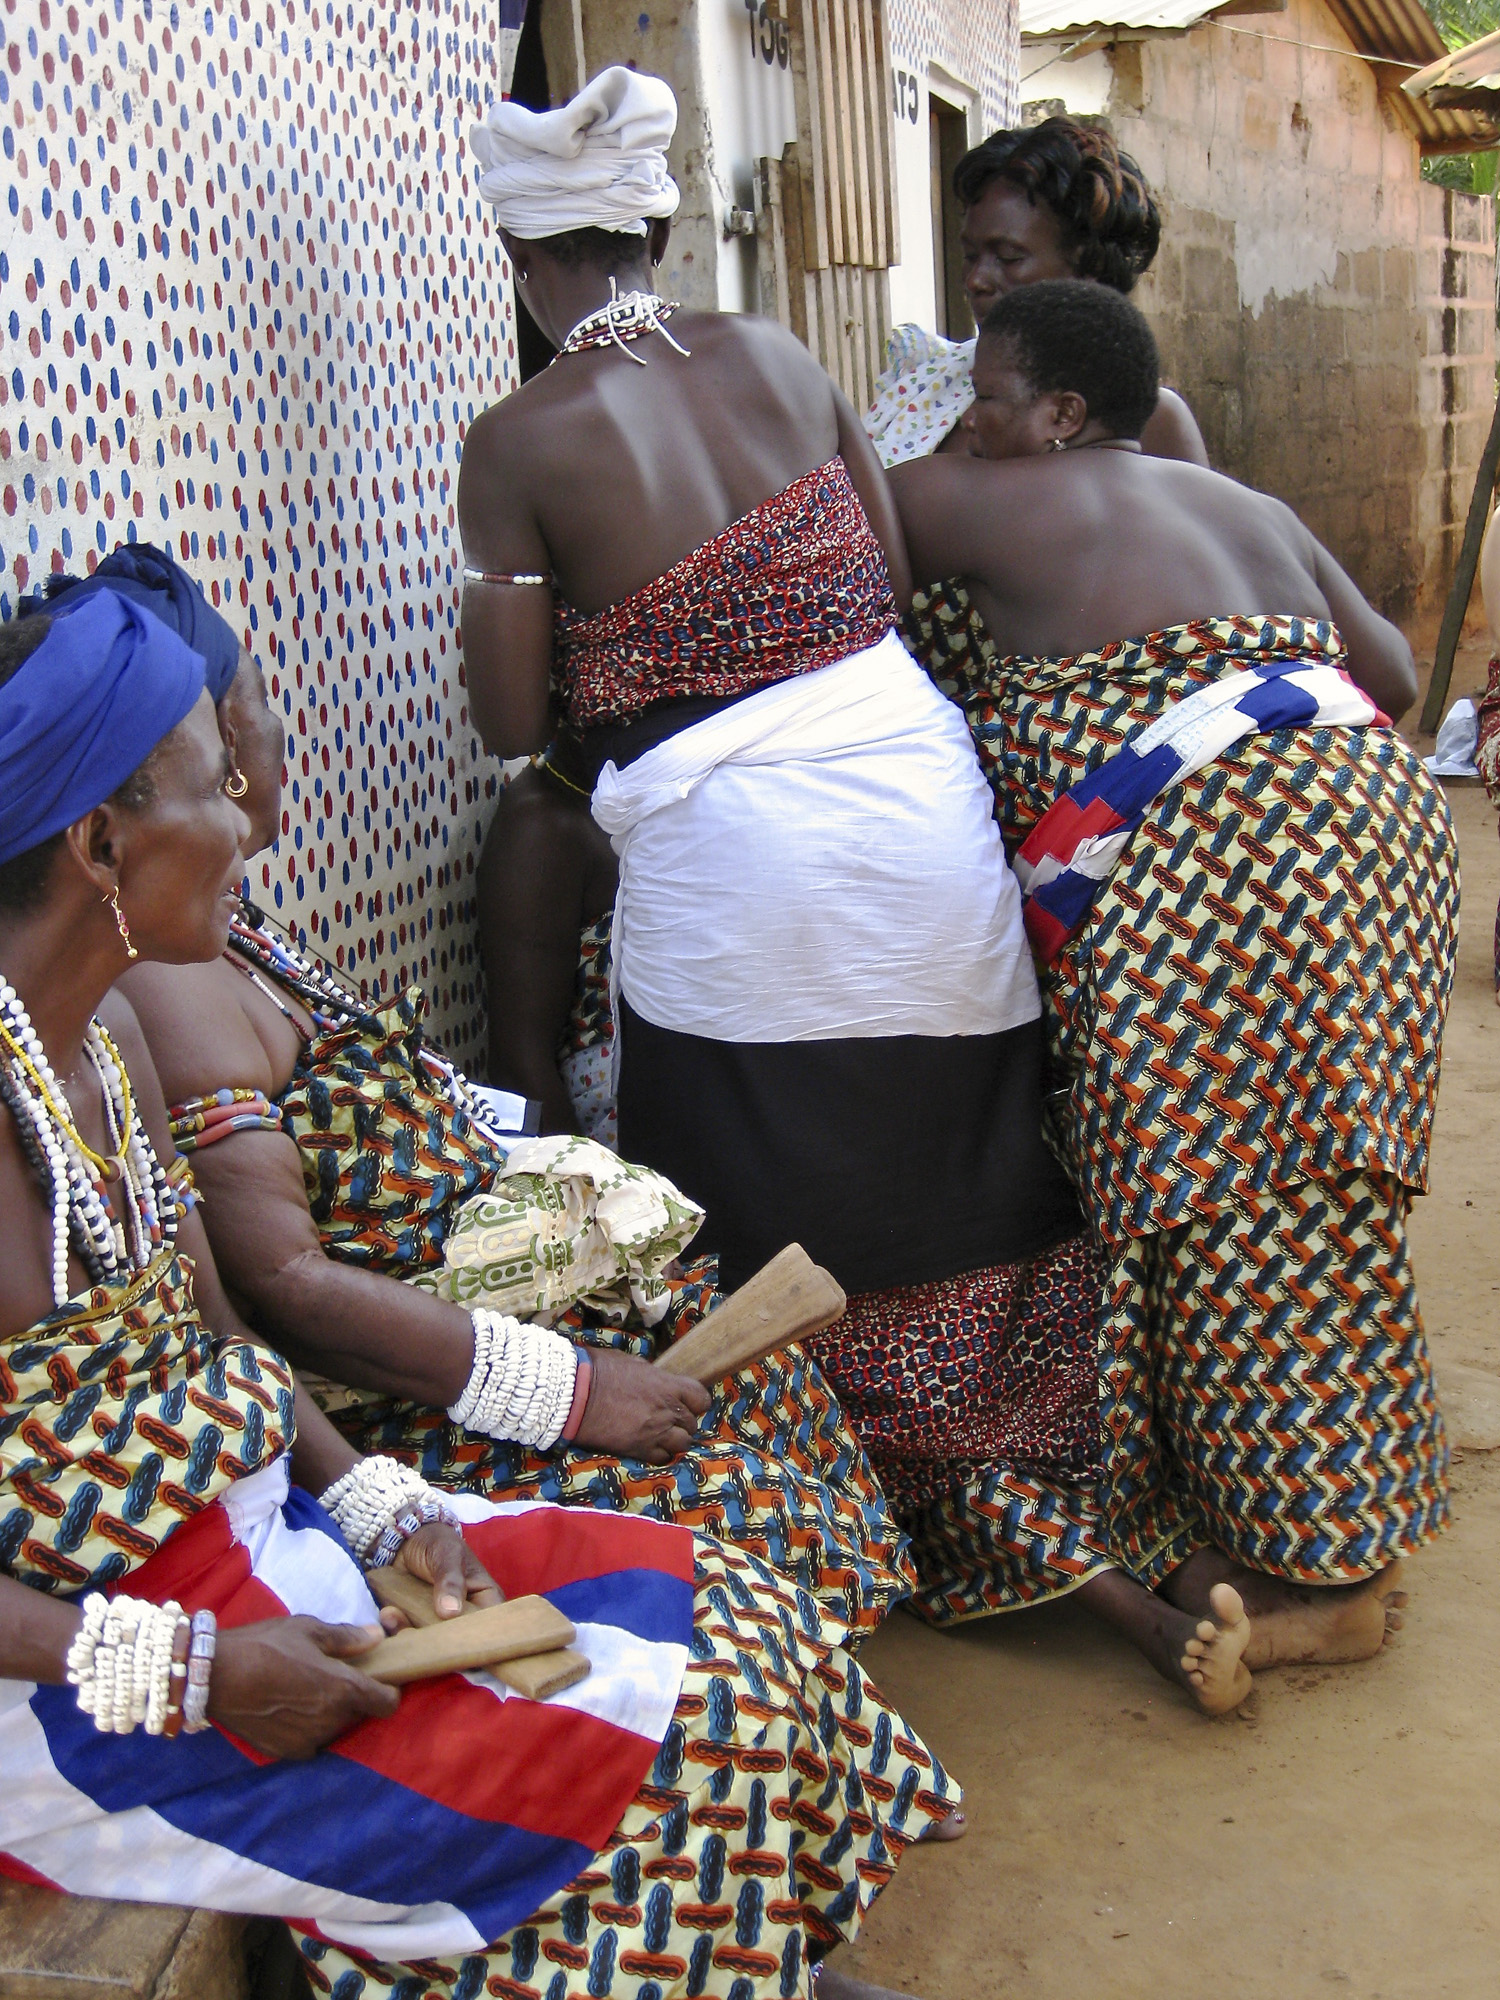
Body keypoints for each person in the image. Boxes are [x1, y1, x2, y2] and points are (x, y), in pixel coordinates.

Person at [0, 593, 956, 2000]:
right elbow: (273, 1300)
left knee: (738, 1625)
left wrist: (387, 1506)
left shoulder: (111, 1040)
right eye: (213, 786)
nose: (248, 810)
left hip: (256, 1570)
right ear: (98, 844)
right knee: (651, 1734)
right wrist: (200, 1670)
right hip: (79, 1689)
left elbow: (218, 1344)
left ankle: (735, 1974)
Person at [456, 72, 1251, 1703]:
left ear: (511, 255)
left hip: (751, 888)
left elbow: (509, 717)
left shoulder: (518, 439)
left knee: (758, 1202)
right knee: (952, 1163)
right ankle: (1077, 1515)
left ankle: (839, 1511)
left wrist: (629, 640)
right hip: (918, 809)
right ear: (663, 226)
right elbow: (879, 581)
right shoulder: (777, 359)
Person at [41, 551, 911, 1635]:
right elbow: (284, 1294)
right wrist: (571, 1393)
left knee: (767, 1388)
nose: (258, 754)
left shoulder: (212, 938)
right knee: (743, 1518)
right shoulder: (159, 987)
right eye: (245, 723)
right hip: (400, 1395)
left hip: (474, 1343)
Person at [889, 279, 1453, 1702]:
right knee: (1308, 1195)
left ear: (1064, 414)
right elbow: (1382, 672)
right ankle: (1313, 1523)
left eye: (990, 398)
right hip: (1377, 831)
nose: (973, 424)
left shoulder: (1011, 500)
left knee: (1218, 1212)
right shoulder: (1242, 508)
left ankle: (1318, 1577)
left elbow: (843, 517)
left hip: (1227, 858)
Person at [866, 116, 1207, 470]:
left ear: (1087, 271)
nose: (975, 280)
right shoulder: (927, 382)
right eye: (970, 256)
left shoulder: (1143, 419)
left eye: (1009, 257)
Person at [479, 731, 620, 1140]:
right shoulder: (544, 822)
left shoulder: (676, 789)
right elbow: (519, 1065)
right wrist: (593, 1192)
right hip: (615, 1152)